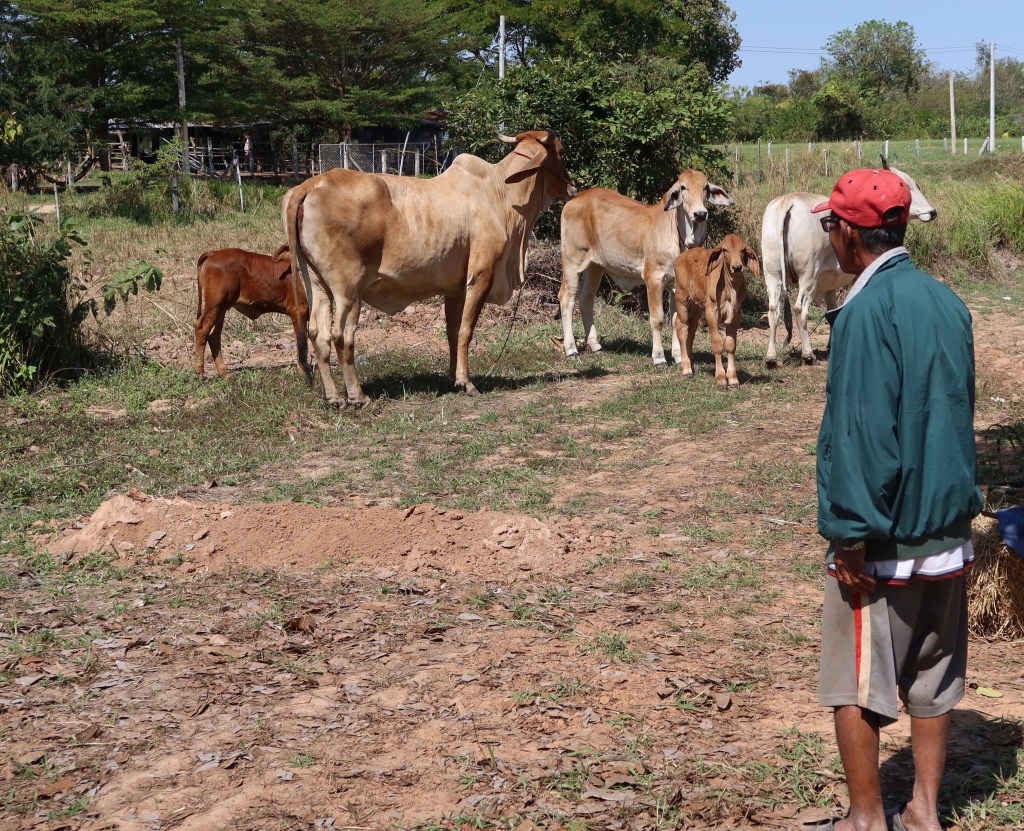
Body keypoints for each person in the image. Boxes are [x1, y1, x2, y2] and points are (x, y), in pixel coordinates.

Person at [811, 169, 983, 831]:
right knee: (933, 676)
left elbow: (862, 433)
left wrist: (851, 534)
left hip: (886, 536)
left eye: (830, 225)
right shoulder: (947, 301)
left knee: (856, 681)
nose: (829, 237)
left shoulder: (863, 313)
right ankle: (924, 811)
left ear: (850, 233)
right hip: (948, 532)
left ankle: (864, 818)